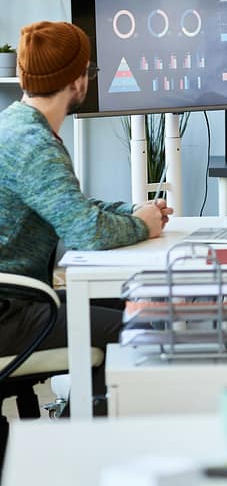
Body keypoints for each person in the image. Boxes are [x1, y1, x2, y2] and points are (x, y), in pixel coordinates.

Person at [0, 21, 170, 361]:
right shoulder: (35, 145)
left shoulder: (15, 124)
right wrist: (142, 225)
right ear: (77, 79)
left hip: (19, 299)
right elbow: (86, 231)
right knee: (145, 333)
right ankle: (84, 413)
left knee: (124, 303)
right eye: (89, 71)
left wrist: (132, 210)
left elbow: (67, 206)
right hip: (11, 314)